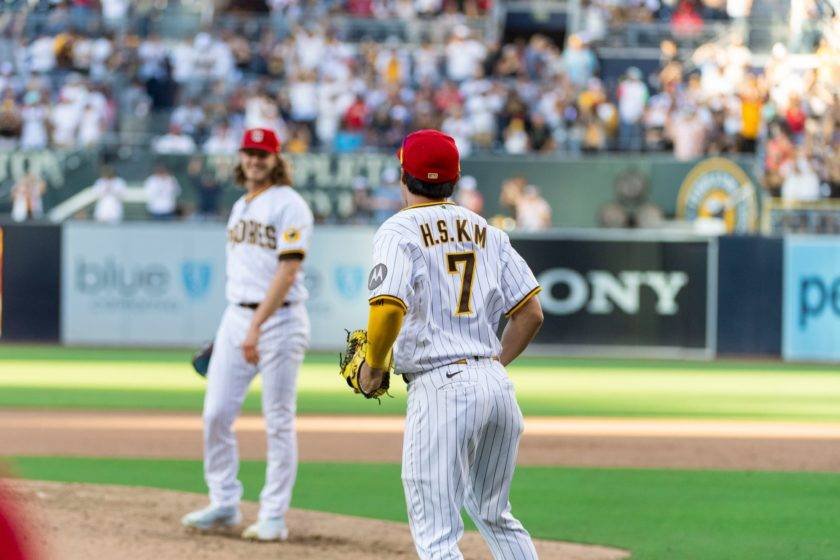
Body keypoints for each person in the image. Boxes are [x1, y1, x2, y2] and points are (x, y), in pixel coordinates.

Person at [357, 129, 544, 559]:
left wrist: (374, 364)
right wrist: (494, 365)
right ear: (455, 179)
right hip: (496, 386)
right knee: (496, 514)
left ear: (403, 176)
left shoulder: (399, 228)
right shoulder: (487, 231)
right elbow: (530, 313)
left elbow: (387, 309)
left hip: (440, 387)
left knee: (437, 536)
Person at [181, 128, 313, 542]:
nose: (255, 160)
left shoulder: (291, 205)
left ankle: (273, 515)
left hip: (280, 321)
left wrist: (255, 326)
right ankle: (224, 500)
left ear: (276, 159)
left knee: (278, 420)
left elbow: (287, 270)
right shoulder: (240, 205)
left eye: (263, 153)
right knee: (215, 413)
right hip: (237, 317)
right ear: (241, 157)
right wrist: (237, 326)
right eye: (250, 152)